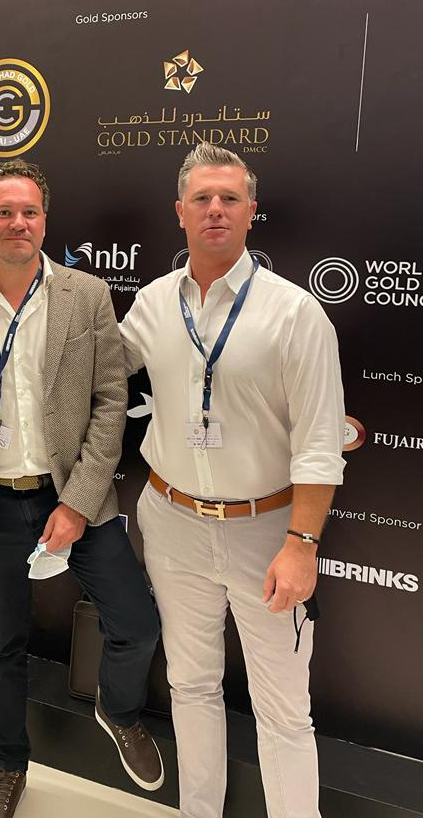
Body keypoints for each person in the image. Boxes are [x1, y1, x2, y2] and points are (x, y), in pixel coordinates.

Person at [0, 158, 163, 818]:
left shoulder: (88, 295)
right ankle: (7, 767)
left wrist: (77, 504)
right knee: (2, 646)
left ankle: (120, 710)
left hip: (76, 496)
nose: (17, 222)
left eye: (28, 211)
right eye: (3, 212)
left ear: (44, 222)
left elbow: (111, 401)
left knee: (136, 625)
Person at [119, 142, 345, 818]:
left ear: (251, 212)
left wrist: (302, 543)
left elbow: (320, 444)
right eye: (202, 199)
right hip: (172, 522)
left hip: (268, 532)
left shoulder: (296, 313)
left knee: (284, 711)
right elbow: (95, 372)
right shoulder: (153, 303)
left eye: (229, 198)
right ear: (180, 213)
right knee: (190, 687)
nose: (215, 209)